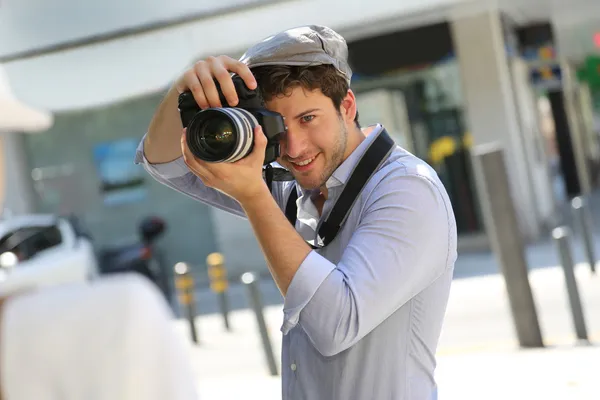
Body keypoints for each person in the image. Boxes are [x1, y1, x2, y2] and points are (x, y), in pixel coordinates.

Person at [138, 24, 457, 399]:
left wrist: (254, 197)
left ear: (347, 106)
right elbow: (164, 163)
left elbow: (338, 324)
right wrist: (183, 91)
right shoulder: (290, 187)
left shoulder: (406, 188)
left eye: (308, 118)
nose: (293, 146)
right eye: (276, 125)